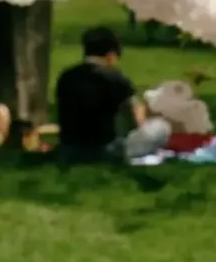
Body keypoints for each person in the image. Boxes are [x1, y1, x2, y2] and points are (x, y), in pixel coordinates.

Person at [55, 26, 148, 162]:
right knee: (160, 128)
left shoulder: (66, 76)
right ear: (111, 54)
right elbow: (135, 121)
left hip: (69, 149)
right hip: (106, 151)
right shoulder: (116, 79)